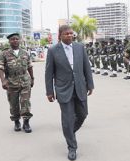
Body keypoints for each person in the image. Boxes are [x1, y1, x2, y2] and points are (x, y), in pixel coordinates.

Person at [45, 25, 94, 160]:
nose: (70, 36)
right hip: (63, 89)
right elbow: (49, 73)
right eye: (66, 34)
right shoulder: (53, 50)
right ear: (60, 35)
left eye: (71, 33)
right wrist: (49, 91)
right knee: (67, 119)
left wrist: (90, 84)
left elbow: (86, 67)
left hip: (80, 87)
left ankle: (69, 132)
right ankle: (72, 147)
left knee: (83, 114)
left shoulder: (80, 47)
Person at [0, 33, 34, 133]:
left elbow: (30, 66)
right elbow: (0, 68)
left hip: (25, 81)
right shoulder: (4, 54)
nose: (15, 41)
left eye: (17, 39)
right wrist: (3, 80)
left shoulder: (25, 53)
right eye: (13, 39)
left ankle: (26, 122)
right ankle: (16, 121)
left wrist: (32, 78)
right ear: (9, 41)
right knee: (14, 104)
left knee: (25, 102)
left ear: (20, 40)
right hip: (11, 82)